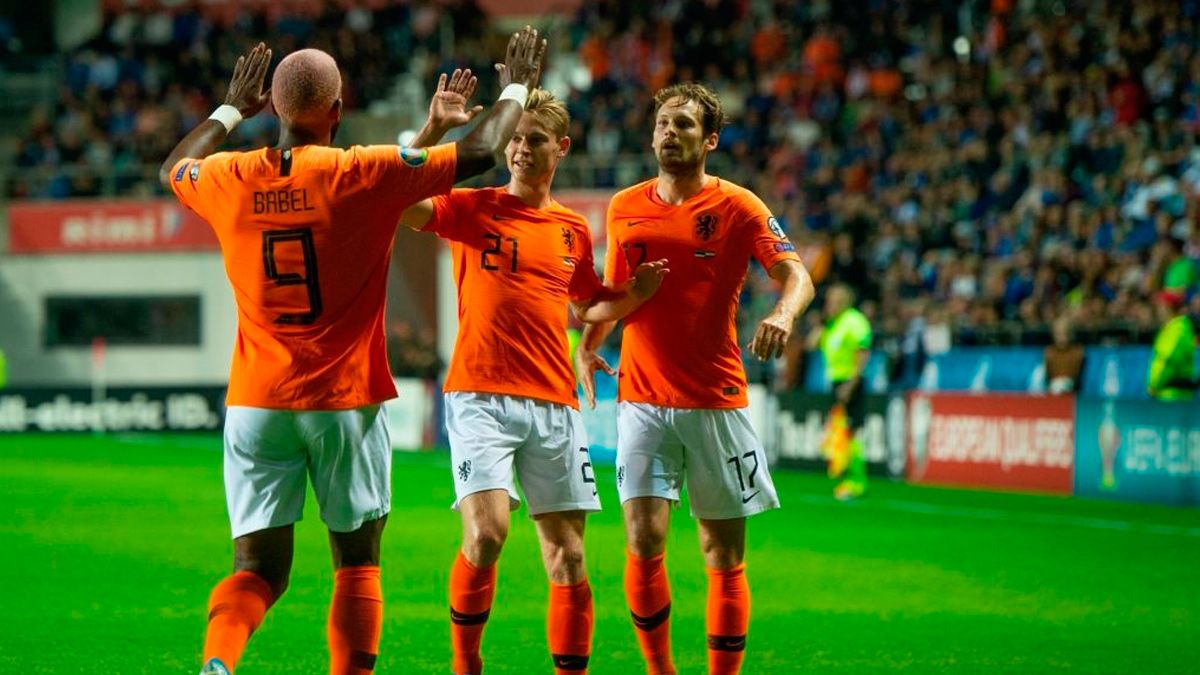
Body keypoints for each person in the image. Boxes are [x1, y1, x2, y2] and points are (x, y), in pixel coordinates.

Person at [158, 31, 546, 675]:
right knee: (358, 563)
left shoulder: (226, 177)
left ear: (274, 109)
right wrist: (517, 87)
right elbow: (479, 150)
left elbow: (172, 165)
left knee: (257, 570)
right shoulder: (356, 171)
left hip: (256, 401)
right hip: (345, 400)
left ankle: (218, 663)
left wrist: (229, 109)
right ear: (338, 112)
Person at [398, 80, 668, 675]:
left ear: (562, 147)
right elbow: (395, 197)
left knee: (569, 556)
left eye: (535, 139)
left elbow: (586, 305)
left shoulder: (572, 229)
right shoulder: (471, 206)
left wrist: (631, 297)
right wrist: (434, 132)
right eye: (515, 139)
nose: (520, 149)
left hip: (553, 401)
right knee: (487, 535)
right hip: (479, 394)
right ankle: (465, 664)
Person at [575, 82, 814, 675]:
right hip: (642, 399)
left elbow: (797, 275)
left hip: (715, 399)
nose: (669, 132)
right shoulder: (624, 205)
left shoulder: (738, 205)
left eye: (683, 124)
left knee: (722, 554)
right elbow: (615, 293)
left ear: (709, 139)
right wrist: (587, 345)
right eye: (662, 122)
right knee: (643, 540)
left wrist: (782, 313)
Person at [811, 284, 872, 500]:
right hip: (836, 382)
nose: (830, 305)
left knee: (851, 431)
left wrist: (851, 384)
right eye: (828, 301)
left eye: (834, 300)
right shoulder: (833, 324)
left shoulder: (855, 322)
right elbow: (811, 344)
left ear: (845, 301)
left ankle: (857, 480)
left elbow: (862, 354)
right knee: (842, 432)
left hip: (850, 382)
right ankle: (848, 477)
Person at [1147, 290, 1198, 401]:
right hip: (1171, 394)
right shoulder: (1174, 328)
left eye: (1160, 306)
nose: (1158, 311)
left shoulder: (1176, 330)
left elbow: (1167, 360)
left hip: (1173, 396)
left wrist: (1154, 385)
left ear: (1168, 308)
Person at [1044, 317, 1084, 394]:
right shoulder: (1049, 352)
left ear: (1071, 334)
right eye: (1058, 334)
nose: (1061, 337)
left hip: (1072, 393)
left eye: (1064, 333)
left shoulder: (1078, 352)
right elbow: (1047, 376)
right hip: (1052, 391)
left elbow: (1076, 377)